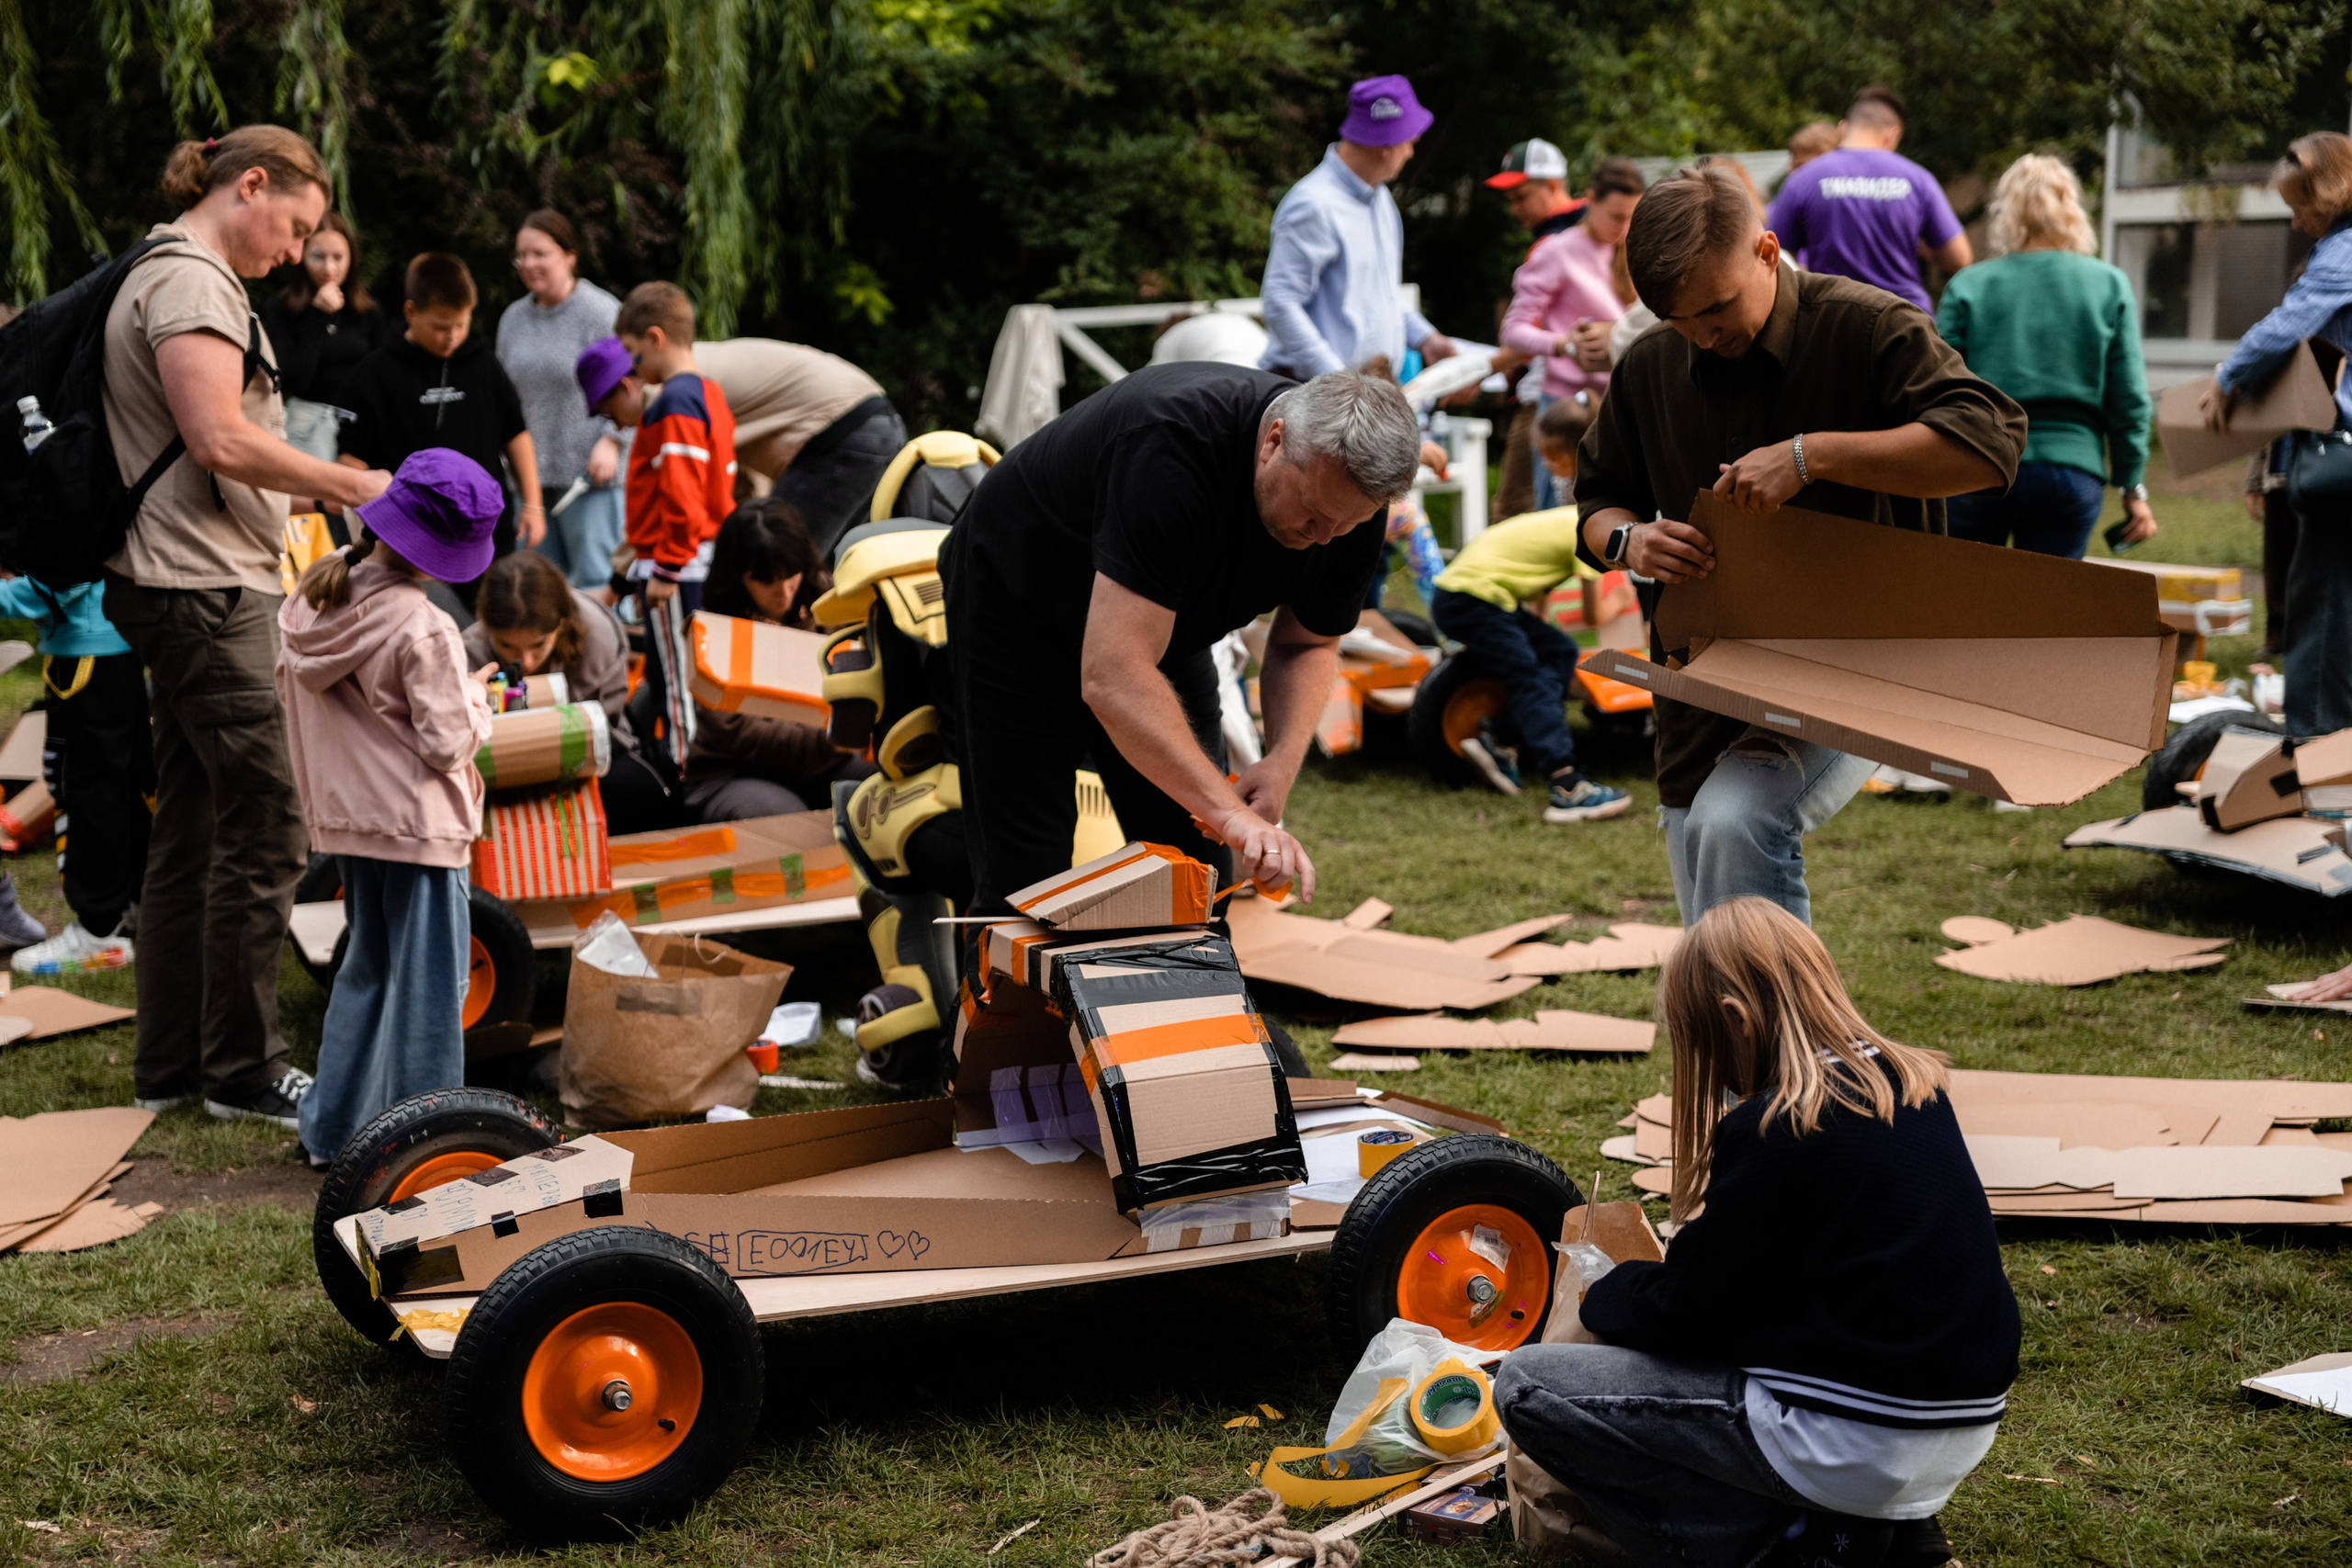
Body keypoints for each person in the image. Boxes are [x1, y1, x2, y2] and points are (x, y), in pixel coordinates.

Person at [1498, 897, 2017, 1568]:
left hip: (1857, 1439)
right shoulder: (1911, 1083)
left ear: (1738, 1023)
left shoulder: (1778, 1125)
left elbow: (1693, 1312)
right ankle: (1885, 1529)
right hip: (1959, 1428)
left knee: (1523, 1384)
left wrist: (1608, 1289)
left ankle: (1772, 1546)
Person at [1575, 164, 2023, 926]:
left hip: (1859, 663)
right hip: (1704, 683)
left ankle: (1793, 1045)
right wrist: (1630, 539)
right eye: (1678, 321)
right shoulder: (1651, 363)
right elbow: (1596, 500)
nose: (1703, 338)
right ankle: (1755, 1045)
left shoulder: (1868, 326)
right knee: (1709, 928)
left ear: (1768, 250)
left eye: (1716, 309)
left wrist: (1811, 456)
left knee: (1737, 820)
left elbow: (1989, 445)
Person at [101, 124, 393, 1129]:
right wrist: (356, 484)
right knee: (271, 821)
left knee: (191, 824)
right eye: (296, 228)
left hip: (190, 583)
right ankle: (243, 1070)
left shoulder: (175, 274)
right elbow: (218, 437)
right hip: (202, 591)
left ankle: (172, 1062)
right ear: (250, 185)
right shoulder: (189, 283)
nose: (295, 252)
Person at [941, 364, 1420, 914]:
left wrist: (1281, 759)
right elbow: (1113, 675)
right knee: (1025, 878)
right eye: (1313, 512)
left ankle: (1186, 999)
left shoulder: (1348, 508)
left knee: (1194, 865)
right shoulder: (1171, 446)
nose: (1324, 538)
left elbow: (1306, 643)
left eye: (1347, 524)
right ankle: (1011, 996)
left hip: (1160, 624)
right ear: (1274, 441)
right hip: (1018, 604)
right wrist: (1230, 813)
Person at [277, 450, 499, 1168]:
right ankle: (421, 1151)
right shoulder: (425, 626)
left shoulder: (312, 600)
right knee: (434, 994)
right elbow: (446, 743)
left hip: (354, 825)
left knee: (366, 970)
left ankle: (333, 1130)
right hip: (421, 828)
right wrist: (479, 701)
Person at [2202, 131, 2352, 739]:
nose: (2295, 222)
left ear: (2334, 191)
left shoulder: (2343, 252)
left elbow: (2289, 323)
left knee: (2320, 605)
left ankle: (2315, 750)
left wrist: (2228, 375)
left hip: (2341, 459)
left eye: (2302, 206)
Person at [1934, 155, 2155, 559]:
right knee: (2050, 614)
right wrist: (2132, 486)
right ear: (2072, 208)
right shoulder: (2108, 284)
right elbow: (2129, 398)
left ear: (2006, 212)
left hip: (1980, 466)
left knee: (1963, 608)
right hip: (2070, 472)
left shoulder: (1969, 285)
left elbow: (1935, 384)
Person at [1431, 396, 1630, 823]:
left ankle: (1498, 739)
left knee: (1556, 652)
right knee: (1532, 676)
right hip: (1473, 597)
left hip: (1465, 591)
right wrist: (1619, 600)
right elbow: (1595, 615)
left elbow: (1537, 594)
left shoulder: (1565, 518)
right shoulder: (1587, 531)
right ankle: (1567, 784)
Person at [337, 252, 542, 611]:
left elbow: (516, 432)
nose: (452, 337)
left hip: (483, 533)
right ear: (411, 312)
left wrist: (534, 504)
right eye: (440, 326)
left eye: (461, 326)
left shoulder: (481, 361)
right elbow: (352, 460)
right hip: (413, 539)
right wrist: (368, 534)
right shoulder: (373, 374)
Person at [598, 285, 738, 773]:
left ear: (655, 339)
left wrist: (668, 566)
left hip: (676, 563)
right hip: (696, 556)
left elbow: (683, 494)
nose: (632, 367)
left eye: (634, 354)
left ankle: (685, 767)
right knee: (685, 667)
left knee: (676, 674)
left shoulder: (674, 403)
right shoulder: (708, 393)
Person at [0, 574, 153, 974]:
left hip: (89, 652)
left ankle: (98, 934)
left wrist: (6, 595)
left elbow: (68, 570)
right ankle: (128, 911)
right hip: (109, 645)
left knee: (86, 790)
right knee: (122, 787)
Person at [1259, 75, 1458, 380]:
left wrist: (1425, 338)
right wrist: (1335, 380)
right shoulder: (1314, 204)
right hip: (1316, 393)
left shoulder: (1379, 197)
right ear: (1387, 145)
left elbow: (1382, 294)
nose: (1411, 153)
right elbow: (1280, 302)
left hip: (1359, 390)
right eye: (1410, 142)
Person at [465, 550, 678, 835]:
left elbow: (609, 726)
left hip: (592, 758)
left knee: (634, 792)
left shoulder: (598, 635)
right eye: (507, 646)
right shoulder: (468, 651)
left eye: (538, 645)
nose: (525, 661)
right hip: (502, 766)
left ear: (561, 624)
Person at [684, 498, 868, 820]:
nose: (784, 592)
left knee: (886, 785)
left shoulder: (828, 600)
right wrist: (829, 741)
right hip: (738, 770)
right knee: (780, 817)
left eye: (791, 575)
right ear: (738, 576)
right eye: (766, 581)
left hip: (825, 756)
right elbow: (737, 732)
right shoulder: (715, 630)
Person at [1502, 156, 1646, 509]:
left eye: (1632, 217)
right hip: (1566, 411)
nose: (1625, 227)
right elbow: (1513, 330)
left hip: (1619, 406)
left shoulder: (1636, 248)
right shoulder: (1557, 251)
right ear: (1590, 200)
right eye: (1616, 216)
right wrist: (1564, 345)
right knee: (1560, 516)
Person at [496, 210, 628, 591]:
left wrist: (613, 440)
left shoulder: (602, 313)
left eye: (540, 253)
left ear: (569, 255)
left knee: (595, 584)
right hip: (530, 481)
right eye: (521, 255)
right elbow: (505, 397)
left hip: (589, 477)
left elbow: (636, 388)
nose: (528, 264)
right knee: (535, 588)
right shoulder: (513, 319)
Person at [693, 337, 907, 557]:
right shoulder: (698, 361)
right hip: (879, 423)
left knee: (777, 562)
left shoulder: (669, 385)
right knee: (821, 568)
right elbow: (745, 484)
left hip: (843, 431)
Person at [1765, 86, 1971, 312]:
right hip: (1906, 322)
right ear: (1891, 135)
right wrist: (1921, 246)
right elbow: (1959, 259)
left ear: (1843, 128)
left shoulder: (1803, 180)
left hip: (1831, 320)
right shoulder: (1918, 180)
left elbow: (1774, 259)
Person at [1486, 137, 1588, 523]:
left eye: (1521, 196)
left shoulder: (1556, 244)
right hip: (1582, 397)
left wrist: (1481, 370)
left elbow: (1530, 336)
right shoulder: (1586, 235)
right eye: (1509, 200)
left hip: (1551, 401)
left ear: (1552, 185)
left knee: (1517, 518)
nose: (1515, 210)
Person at [257, 209, 384, 479]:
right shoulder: (281, 310)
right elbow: (294, 381)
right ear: (302, 257)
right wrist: (317, 317)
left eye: (338, 257)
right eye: (318, 257)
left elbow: (380, 378)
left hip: (359, 426)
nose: (329, 269)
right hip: (308, 424)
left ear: (352, 258)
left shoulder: (368, 312)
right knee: (315, 513)